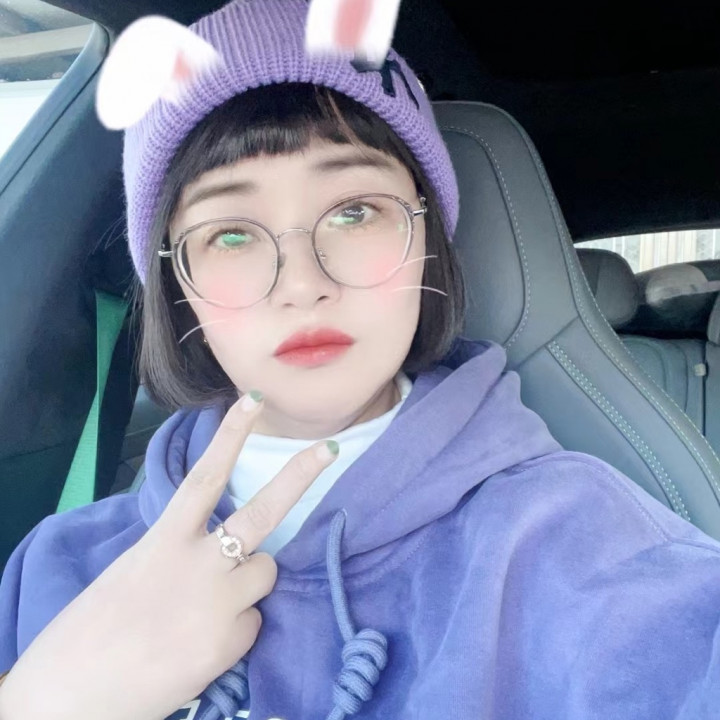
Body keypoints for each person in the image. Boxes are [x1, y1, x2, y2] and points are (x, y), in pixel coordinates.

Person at [0, 0, 719, 718]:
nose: (303, 283)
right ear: (177, 285)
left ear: (426, 241)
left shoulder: (581, 542)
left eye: (353, 213)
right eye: (230, 234)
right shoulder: (59, 564)